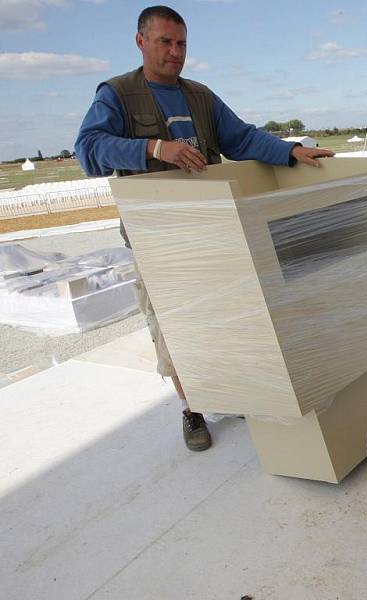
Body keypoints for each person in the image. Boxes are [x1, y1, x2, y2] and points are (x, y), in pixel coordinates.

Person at [75, 5, 334, 452]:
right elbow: (88, 150)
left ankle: (228, 389)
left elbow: (242, 138)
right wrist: (156, 147)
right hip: (156, 239)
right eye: (165, 43)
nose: (175, 53)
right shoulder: (116, 95)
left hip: (211, 231)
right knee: (174, 329)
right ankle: (191, 408)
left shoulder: (200, 96)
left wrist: (291, 152)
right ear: (141, 42)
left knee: (220, 316)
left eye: (182, 44)